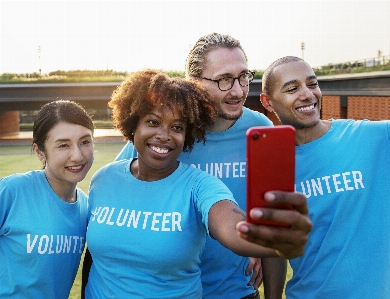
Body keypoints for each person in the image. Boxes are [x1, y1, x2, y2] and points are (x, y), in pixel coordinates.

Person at [83, 69, 311, 299]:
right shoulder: (103, 179)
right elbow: (93, 258)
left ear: (188, 135)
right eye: (153, 122)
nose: (164, 135)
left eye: (177, 127)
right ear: (133, 124)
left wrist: (275, 236)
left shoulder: (200, 185)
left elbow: (230, 227)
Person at [260, 56, 390, 298]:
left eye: (312, 84)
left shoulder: (372, 138)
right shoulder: (272, 166)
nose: (308, 94)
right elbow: (275, 247)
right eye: (292, 88)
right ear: (267, 101)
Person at [0, 100, 94, 299]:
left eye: (85, 142)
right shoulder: (12, 191)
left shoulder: (86, 207)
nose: (77, 156)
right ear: (40, 152)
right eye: (63, 145)